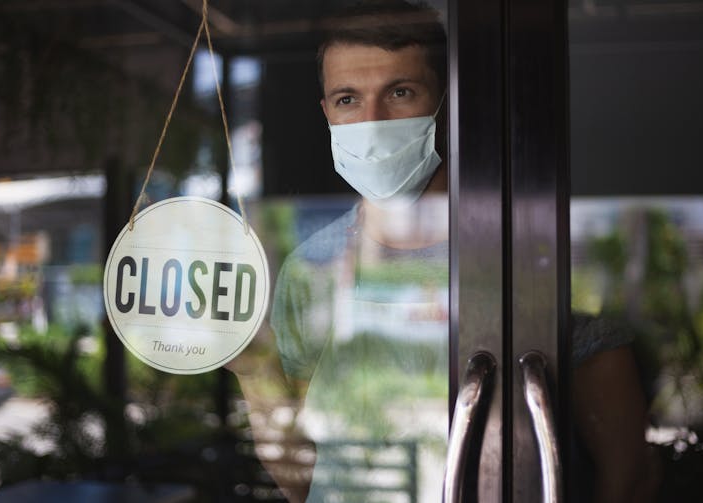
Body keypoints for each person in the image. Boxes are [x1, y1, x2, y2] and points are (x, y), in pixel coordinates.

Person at [234, 1, 660, 501]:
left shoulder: (529, 258)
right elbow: (303, 479)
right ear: (326, 111)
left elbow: (628, 475)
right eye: (348, 98)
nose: (373, 122)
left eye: (400, 92)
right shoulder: (310, 267)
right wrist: (254, 369)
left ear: (445, 103)